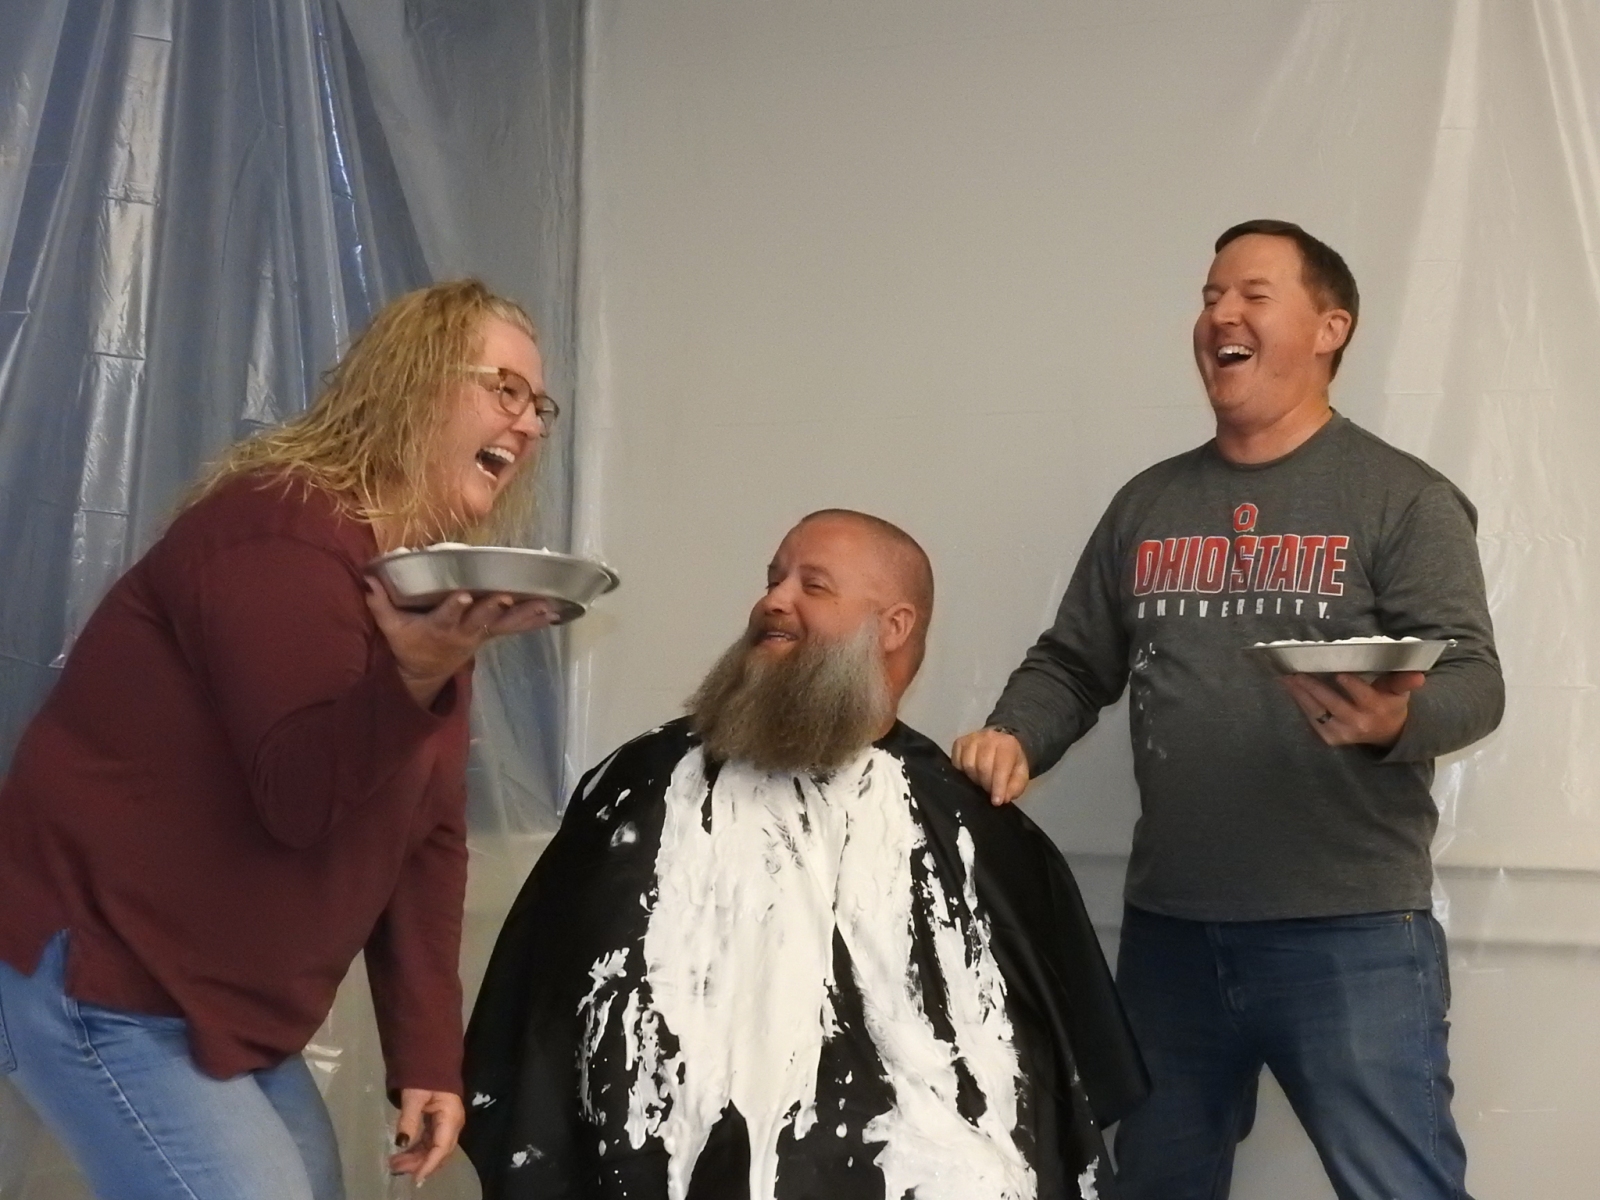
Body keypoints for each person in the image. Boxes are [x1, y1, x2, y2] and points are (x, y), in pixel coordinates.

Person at [952, 220, 1504, 1200]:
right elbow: (1073, 663)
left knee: (1402, 1187)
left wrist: (1394, 724)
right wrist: (1013, 735)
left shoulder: (1402, 499)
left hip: (1351, 931)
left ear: (1329, 328)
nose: (1220, 315)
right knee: (1153, 1184)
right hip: (1171, 934)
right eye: (1210, 296)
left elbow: (1474, 679)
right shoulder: (1148, 505)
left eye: (1252, 294)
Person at [0, 279, 563, 1199]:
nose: (529, 423)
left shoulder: (420, 585)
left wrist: (427, 1057)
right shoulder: (277, 534)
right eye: (505, 389)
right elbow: (299, 798)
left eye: (539, 405)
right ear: (413, 382)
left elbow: (426, 835)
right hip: (103, 975)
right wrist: (416, 673)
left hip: (219, 1005)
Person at [460, 509, 1147, 1200]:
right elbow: (536, 1051)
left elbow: (1059, 1100)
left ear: (894, 627)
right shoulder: (640, 791)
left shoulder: (976, 833)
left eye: (812, 586)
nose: (773, 601)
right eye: (773, 580)